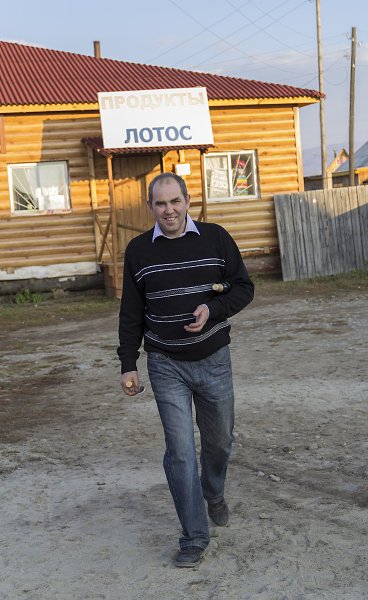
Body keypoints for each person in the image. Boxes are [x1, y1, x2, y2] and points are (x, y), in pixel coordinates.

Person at [117, 172, 254, 568]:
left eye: (175, 201)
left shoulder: (216, 238)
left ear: (187, 201)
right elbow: (131, 311)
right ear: (150, 207)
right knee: (180, 452)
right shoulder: (138, 251)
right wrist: (128, 363)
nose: (169, 210)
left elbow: (243, 287)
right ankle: (194, 537)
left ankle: (214, 492)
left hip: (214, 361)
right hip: (165, 364)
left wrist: (213, 309)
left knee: (219, 442)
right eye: (160, 203)